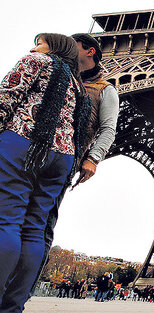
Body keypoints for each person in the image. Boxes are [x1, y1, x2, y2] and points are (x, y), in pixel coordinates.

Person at [0, 33, 90, 312]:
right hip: (61, 157)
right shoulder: (77, 85)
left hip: (24, 143)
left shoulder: (36, 61)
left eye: (38, 42)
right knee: (34, 230)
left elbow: (5, 101)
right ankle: (12, 306)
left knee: (5, 220)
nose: (33, 47)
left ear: (54, 46)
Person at [32, 33, 119, 293]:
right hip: (30, 152)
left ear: (90, 51)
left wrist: (93, 158)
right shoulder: (58, 74)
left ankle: (20, 292)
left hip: (64, 158)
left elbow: (108, 128)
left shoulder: (106, 89)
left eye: (75, 46)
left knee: (41, 222)